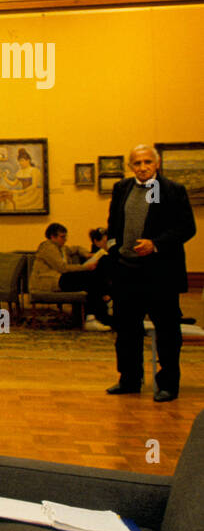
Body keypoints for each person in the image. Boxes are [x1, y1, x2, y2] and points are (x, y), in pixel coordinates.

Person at [104, 145, 197, 402]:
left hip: (161, 273)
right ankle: (129, 379)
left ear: (156, 164)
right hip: (127, 271)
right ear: (130, 166)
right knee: (126, 330)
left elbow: (187, 228)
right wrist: (113, 248)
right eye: (137, 163)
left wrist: (155, 244)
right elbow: (113, 224)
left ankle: (167, 384)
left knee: (167, 331)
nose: (142, 167)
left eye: (147, 162)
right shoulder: (122, 188)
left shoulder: (173, 191)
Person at [30, 222, 111, 328]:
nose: (65, 240)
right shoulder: (47, 248)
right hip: (49, 281)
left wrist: (86, 254)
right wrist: (85, 267)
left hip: (59, 278)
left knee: (91, 280)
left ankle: (96, 315)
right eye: (62, 237)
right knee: (89, 278)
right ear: (52, 237)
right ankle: (102, 308)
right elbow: (62, 268)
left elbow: (76, 248)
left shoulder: (62, 248)